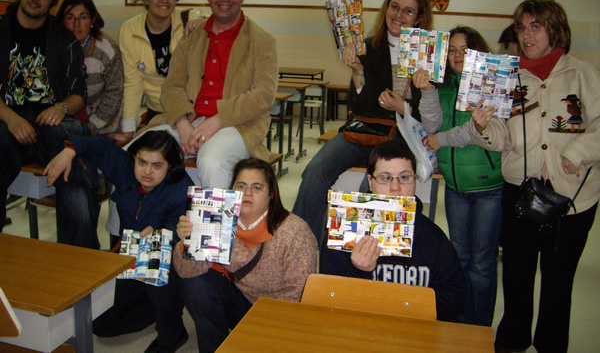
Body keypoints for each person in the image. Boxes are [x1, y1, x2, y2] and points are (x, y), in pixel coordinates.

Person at [469, 0, 600, 353]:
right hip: (520, 193)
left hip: (572, 199)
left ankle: (551, 345)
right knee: (515, 275)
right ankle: (512, 341)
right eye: (521, 27)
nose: (526, 35)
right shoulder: (505, 75)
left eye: (535, 26)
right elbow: (502, 136)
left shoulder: (582, 74)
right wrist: (481, 127)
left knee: (558, 283)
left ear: (555, 30)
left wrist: (578, 152)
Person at [293, 0, 433, 245]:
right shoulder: (367, 47)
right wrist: (358, 71)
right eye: (394, 7)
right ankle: (299, 245)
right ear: (385, 9)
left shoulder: (426, 54)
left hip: (402, 138)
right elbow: (358, 106)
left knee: (367, 189)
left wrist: (403, 108)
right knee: (314, 172)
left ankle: (365, 254)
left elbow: (433, 113)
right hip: (364, 131)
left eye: (408, 11)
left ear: (419, 18)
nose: (398, 15)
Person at [45, 131, 193, 353]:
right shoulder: (125, 171)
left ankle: (171, 333)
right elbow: (101, 146)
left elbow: (183, 231)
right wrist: (69, 151)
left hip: (165, 263)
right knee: (100, 324)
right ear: (133, 158)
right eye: (142, 162)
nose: (147, 171)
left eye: (157, 165)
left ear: (170, 166)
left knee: (159, 271)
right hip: (129, 257)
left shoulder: (182, 187)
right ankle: (154, 309)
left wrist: (163, 233)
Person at [141, 0, 278, 189]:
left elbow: (263, 95)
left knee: (213, 161)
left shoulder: (263, 40)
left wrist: (219, 119)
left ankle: (216, 225)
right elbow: (171, 87)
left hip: (238, 125)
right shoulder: (192, 38)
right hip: (189, 120)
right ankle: (131, 224)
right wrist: (182, 123)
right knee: (136, 152)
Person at [0, 0, 100, 248]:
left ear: (53, 2)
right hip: (8, 121)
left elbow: (78, 93)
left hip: (52, 121)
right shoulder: (1, 31)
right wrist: (10, 118)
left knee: (74, 161)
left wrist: (61, 108)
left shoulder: (64, 39)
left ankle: (78, 256)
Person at [174, 158, 317, 353]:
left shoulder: (295, 231)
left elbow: (300, 293)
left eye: (257, 187)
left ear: (272, 194)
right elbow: (186, 272)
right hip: (241, 302)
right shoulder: (218, 219)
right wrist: (187, 242)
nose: (247, 193)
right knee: (195, 284)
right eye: (241, 186)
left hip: (278, 314)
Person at [413, 26, 503, 326]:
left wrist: (441, 140)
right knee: (460, 260)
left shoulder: (487, 85)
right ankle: (462, 323)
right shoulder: (446, 86)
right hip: (454, 186)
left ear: (477, 52)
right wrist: (427, 92)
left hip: (487, 187)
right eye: (451, 50)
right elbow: (431, 124)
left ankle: (479, 328)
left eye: (464, 50)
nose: (456, 56)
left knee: (482, 265)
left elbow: (474, 132)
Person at [321, 140, 467, 322]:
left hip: (414, 332)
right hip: (358, 330)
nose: (395, 188)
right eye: (385, 178)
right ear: (370, 182)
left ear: (415, 181)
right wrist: (358, 271)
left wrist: (404, 304)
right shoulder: (343, 232)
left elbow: (456, 299)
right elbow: (329, 301)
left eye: (404, 178)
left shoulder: (432, 237)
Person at [119, 0, 204, 141]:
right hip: (157, 109)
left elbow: (210, 19)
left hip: (191, 109)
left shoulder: (188, 20)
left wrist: (202, 21)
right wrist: (128, 128)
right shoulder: (129, 30)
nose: (164, 0)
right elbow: (133, 82)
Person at [57, 0, 124, 135]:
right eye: (70, 17)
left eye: (83, 17)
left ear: (92, 20)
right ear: (62, 20)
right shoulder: (53, 47)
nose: (76, 24)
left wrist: (92, 127)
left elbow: (115, 92)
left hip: (103, 126)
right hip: (61, 122)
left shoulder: (107, 50)